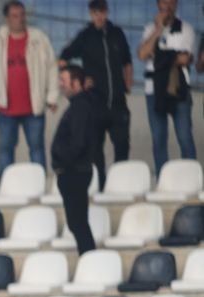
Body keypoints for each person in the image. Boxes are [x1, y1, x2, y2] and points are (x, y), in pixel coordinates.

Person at [59, 0, 134, 190]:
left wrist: (128, 83)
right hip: (95, 103)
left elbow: (127, 61)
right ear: (90, 14)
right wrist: (81, 80)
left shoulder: (117, 33)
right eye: (95, 13)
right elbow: (63, 58)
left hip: (117, 102)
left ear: (107, 12)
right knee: (95, 149)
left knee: (122, 146)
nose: (99, 16)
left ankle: (121, 185)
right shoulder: (85, 36)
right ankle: (99, 186)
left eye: (102, 12)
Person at [0, 2, 59, 173]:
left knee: (37, 149)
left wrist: (52, 96)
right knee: (5, 151)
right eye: (15, 16)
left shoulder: (39, 38)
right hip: (6, 108)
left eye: (22, 15)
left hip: (34, 107)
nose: (20, 19)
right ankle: (5, 192)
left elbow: (52, 67)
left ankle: (39, 188)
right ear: (6, 19)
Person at [52, 65, 105, 256]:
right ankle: (89, 258)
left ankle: (90, 259)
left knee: (78, 223)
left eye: (64, 81)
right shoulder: (78, 105)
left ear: (76, 83)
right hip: (74, 171)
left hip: (75, 172)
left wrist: (63, 163)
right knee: (77, 223)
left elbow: (78, 142)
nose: (61, 85)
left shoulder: (81, 107)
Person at [138, 0, 196, 173]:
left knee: (184, 136)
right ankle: (164, 180)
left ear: (176, 5)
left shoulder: (186, 28)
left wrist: (157, 56)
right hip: (153, 90)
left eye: (171, 2)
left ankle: (192, 177)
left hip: (178, 88)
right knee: (158, 139)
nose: (167, 6)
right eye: (164, 2)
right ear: (158, 5)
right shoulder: (150, 29)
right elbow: (142, 54)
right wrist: (158, 30)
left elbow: (184, 58)